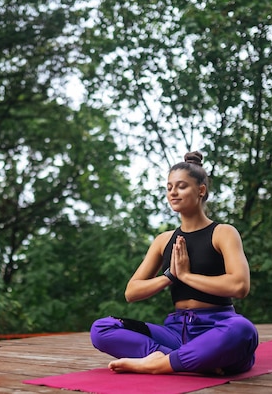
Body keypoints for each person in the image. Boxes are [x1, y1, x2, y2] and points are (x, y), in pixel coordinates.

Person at [90, 151, 258, 375]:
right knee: (102, 328)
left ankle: (161, 363)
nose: (173, 193)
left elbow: (239, 286)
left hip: (217, 327)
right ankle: (183, 359)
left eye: (181, 186)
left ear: (201, 190)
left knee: (243, 329)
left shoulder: (223, 233)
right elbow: (132, 292)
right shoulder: (163, 240)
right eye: (169, 187)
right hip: (174, 333)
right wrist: (169, 276)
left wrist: (187, 276)